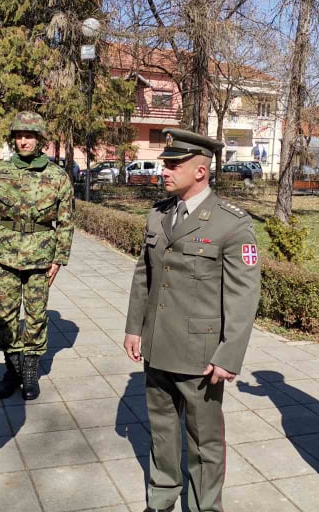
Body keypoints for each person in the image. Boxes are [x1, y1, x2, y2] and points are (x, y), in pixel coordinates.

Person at [124, 128, 261, 512]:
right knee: (162, 430)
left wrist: (229, 354)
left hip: (201, 353)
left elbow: (243, 294)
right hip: (157, 344)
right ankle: (163, 495)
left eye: (173, 164)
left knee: (204, 441)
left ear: (200, 171)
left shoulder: (230, 224)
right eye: (165, 163)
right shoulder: (158, 214)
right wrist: (135, 328)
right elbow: (144, 275)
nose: (164, 170)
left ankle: (204, 506)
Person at [0, 111, 73, 401]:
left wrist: (59, 258)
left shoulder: (57, 176)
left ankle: (30, 372)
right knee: (5, 314)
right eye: (19, 135)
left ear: (40, 139)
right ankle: (12, 368)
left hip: (42, 254)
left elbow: (66, 221)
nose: (23, 140)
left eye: (29, 135)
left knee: (35, 315)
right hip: (6, 253)